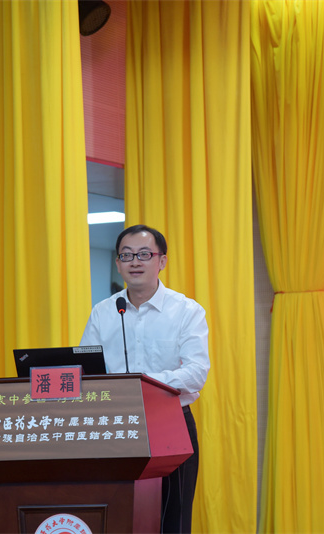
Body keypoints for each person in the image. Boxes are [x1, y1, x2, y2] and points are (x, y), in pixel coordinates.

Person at [80, 224, 210, 534]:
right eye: (126, 255)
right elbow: (86, 369)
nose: (135, 262)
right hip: (114, 423)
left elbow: (195, 372)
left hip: (170, 421)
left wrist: (142, 383)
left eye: (144, 254)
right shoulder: (103, 312)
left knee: (173, 516)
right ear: (118, 263)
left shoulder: (186, 311)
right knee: (117, 511)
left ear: (161, 261)